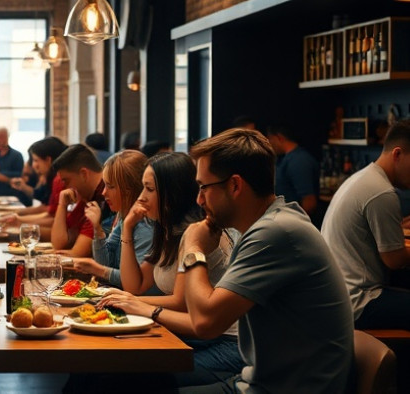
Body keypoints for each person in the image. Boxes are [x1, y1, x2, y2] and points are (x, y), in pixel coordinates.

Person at [181, 128, 352, 393]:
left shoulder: (276, 232)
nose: (199, 199)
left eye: (204, 187)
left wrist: (193, 248)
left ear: (235, 185)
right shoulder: (269, 225)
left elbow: (205, 322)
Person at [99, 152, 244, 387]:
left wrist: (132, 302)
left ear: (172, 193)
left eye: (149, 189)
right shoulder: (166, 228)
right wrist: (127, 228)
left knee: (124, 375)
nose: (141, 197)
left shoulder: (194, 231)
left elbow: (180, 300)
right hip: (195, 335)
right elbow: (136, 284)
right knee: (107, 365)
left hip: (226, 342)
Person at [322, 119, 410, 330]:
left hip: (335, 294)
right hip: (358, 301)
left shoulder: (362, 178)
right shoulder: (382, 192)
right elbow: (394, 259)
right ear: (398, 154)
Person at [72, 150, 153, 287]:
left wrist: (98, 270)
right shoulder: (123, 216)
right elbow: (106, 262)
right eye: (104, 185)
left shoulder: (146, 227)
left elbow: (135, 283)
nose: (104, 192)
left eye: (110, 186)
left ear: (129, 190)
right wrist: (97, 229)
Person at [1, 137, 69, 238]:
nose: (33, 165)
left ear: (48, 160)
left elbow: (51, 215)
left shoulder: (59, 179)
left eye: (36, 160)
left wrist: (19, 221)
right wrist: (17, 218)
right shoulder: (51, 177)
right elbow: (49, 211)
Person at [50, 144, 107, 257]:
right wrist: (62, 205)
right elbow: (59, 243)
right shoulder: (87, 196)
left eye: (66, 181)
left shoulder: (102, 199)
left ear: (84, 174)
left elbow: (77, 253)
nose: (65, 188)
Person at [267, 123, 319, 218]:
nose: (269, 143)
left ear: (279, 138)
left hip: (292, 222)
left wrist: (295, 223)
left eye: (270, 139)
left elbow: (309, 202)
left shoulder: (298, 161)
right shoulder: (284, 159)